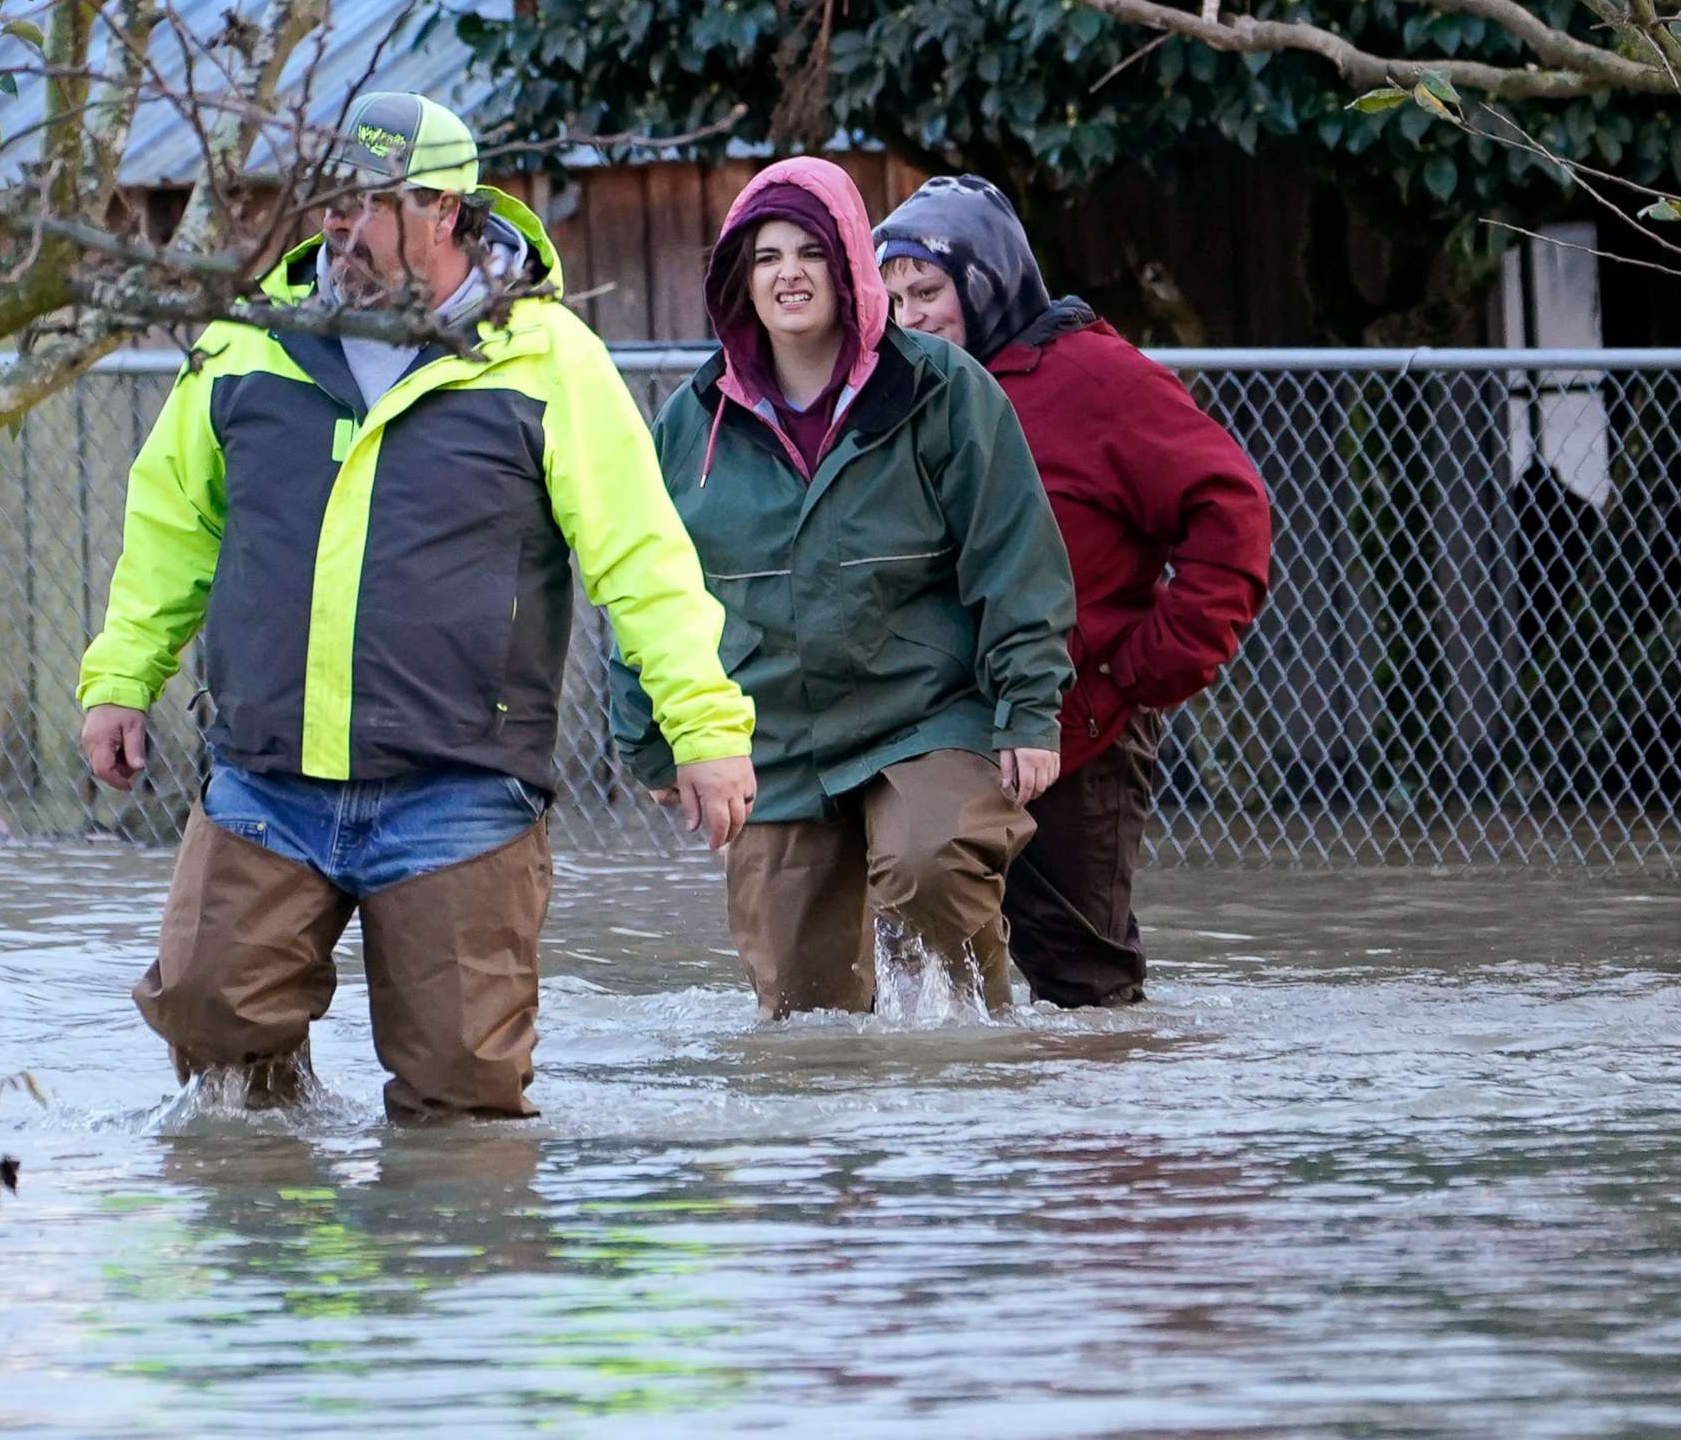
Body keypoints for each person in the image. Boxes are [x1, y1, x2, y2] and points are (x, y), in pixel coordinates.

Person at [77, 90, 756, 1119]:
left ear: (445, 209)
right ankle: (278, 1224)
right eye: (326, 198)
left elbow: (641, 555)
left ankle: (437, 1268)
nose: (336, 221)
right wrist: (122, 678)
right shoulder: (247, 339)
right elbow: (172, 522)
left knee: (462, 1102)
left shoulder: (545, 356)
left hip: (460, 787)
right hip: (268, 775)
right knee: (212, 1028)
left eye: (367, 200)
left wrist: (703, 725)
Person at [609, 157, 1075, 1017]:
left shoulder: (938, 386)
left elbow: (1015, 553)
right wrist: (650, 736)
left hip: (923, 711)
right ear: (739, 282)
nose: (788, 273)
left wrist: (1029, 706)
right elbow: (643, 580)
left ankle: (988, 1058)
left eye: (810, 252)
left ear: (850, 263)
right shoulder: (692, 420)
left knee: (931, 861)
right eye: (765, 257)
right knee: (803, 1021)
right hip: (775, 736)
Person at [874, 175, 1270, 1008]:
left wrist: (1135, 674)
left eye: (929, 292)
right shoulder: (898, 386)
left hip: (1076, 737)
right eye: (894, 295)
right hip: (923, 734)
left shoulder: (1096, 378)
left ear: (987, 284)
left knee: (1086, 998)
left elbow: (1232, 511)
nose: (909, 314)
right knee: (920, 995)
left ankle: (1102, 1142)